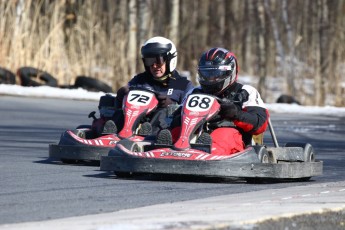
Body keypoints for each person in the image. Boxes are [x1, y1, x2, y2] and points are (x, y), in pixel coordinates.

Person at [158, 47, 269, 155]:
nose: (210, 79)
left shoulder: (245, 92)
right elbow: (179, 116)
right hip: (195, 134)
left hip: (231, 136)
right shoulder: (195, 92)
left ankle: (206, 152)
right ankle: (164, 151)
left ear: (230, 72)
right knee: (176, 132)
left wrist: (236, 114)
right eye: (206, 74)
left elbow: (261, 124)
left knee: (223, 136)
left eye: (214, 74)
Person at [92, 36, 194, 136]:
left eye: (158, 60)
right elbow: (123, 100)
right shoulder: (139, 80)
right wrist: (121, 95)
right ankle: (109, 133)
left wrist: (171, 105)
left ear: (170, 60)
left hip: (162, 133)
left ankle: (149, 134)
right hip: (131, 124)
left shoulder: (184, 85)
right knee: (118, 110)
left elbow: (190, 113)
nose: (154, 65)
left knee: (161, 113)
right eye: (150, 61)